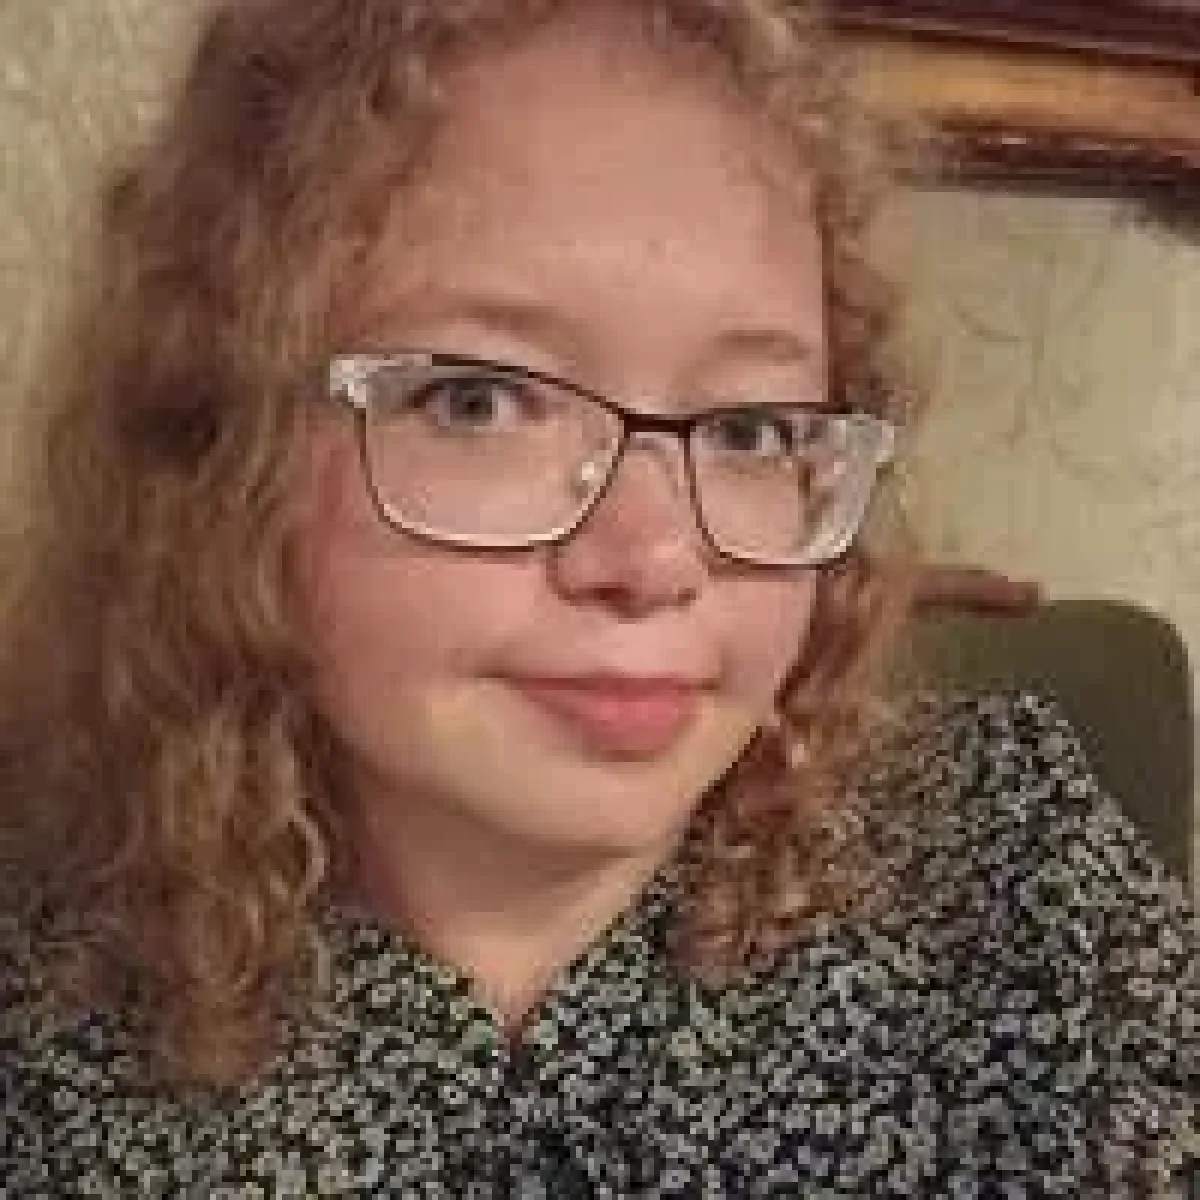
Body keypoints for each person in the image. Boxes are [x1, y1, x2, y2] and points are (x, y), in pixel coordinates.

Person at [1, 0, 1194, 1193]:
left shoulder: (1019, 869)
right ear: (218, 442)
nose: (654, 557)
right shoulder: (47, 1010)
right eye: (479, 402)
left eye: (749, 429)